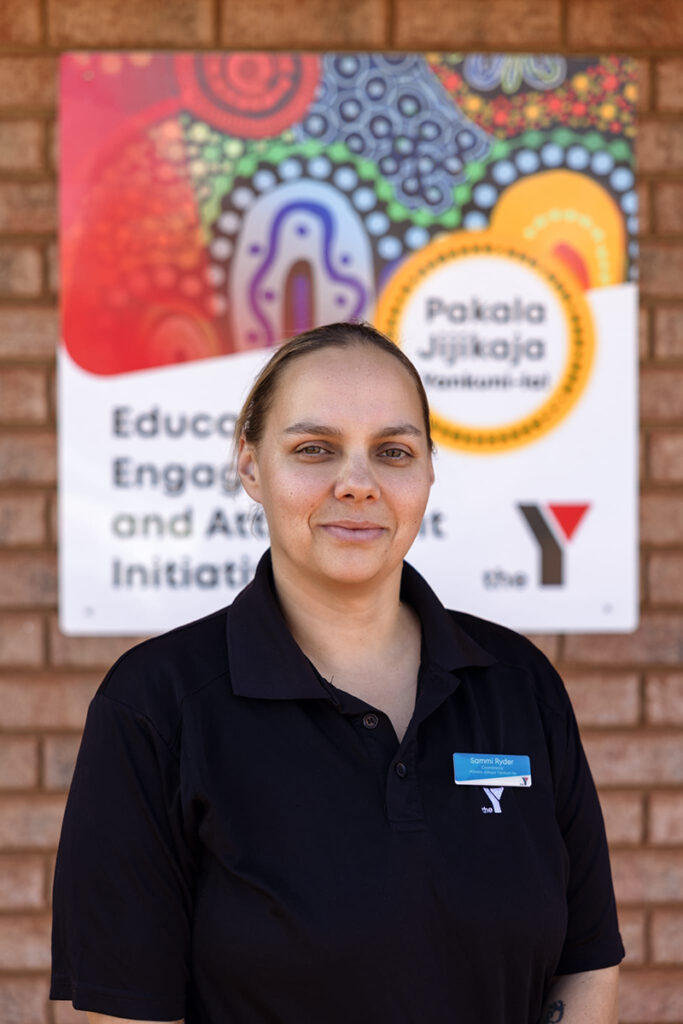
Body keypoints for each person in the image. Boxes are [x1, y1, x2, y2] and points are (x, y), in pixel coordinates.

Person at [51, 321, 623, 1024]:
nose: (357, 484)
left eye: (392, 451)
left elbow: (586, 959)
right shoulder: (154, 705)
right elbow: (123, 1009)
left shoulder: (518, 684)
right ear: (251, 466)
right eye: (314, 449)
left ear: (428, 474)